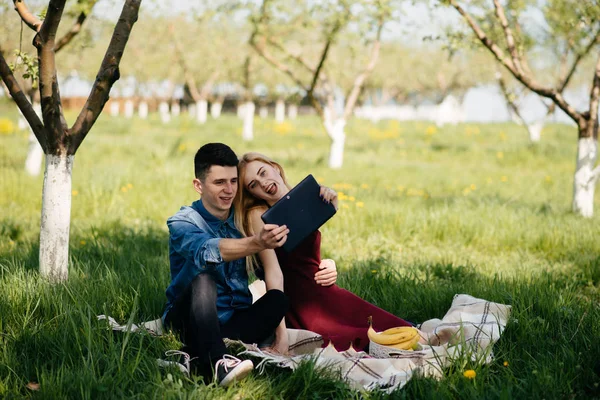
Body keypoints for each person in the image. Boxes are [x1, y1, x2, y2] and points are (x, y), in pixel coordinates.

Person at [234, 152, 422, 352]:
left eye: (263, 173)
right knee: (366, 340)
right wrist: (282, 336)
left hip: (325, 292)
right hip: (301, 306)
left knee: (407, 331)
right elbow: (275, 272)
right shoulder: (258, 216)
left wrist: (328, 263)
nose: (263, 183)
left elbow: (304, 255)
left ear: (275, 167)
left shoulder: (303, 199)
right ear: (251, 193)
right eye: (253, 184)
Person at [161, 143, 292, 386]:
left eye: (233, 181)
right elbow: (205, 251)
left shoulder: (243, 217)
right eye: (219, 182)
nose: (229, 190)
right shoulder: (182, 222)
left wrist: (323, 194)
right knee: (204, 279)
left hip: (234, 319)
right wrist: (255, 242)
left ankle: (193, 356)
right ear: (198, 185)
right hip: (187, 319)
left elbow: (282, 201)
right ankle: (218, 363)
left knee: (278, 300)